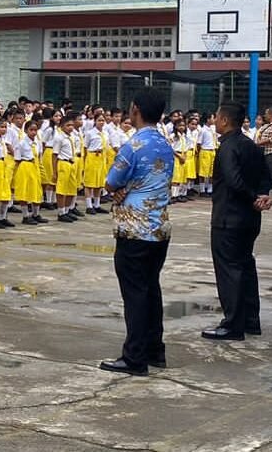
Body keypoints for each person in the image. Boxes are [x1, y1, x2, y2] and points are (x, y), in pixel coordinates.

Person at [100, 86, 174, 376]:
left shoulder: (133, 145)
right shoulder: (165, 144)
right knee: (151, 288)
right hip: (159, 227)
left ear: (136, 110)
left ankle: (134, 357)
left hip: (135, 228)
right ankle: (155, 349)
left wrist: (120, 190)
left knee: (135, 294)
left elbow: (111, 181)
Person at [203, 102, 272, 341]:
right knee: (245, 267)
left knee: (229, 271)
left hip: (228, 219)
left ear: (224, 120)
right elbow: (265, 176)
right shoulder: (250, 145)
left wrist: (253, 198)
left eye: (217, 117)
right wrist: (261, 196)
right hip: (249, 219)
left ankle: (232, 324)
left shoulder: (228, 148)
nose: (214, 121)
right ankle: (250, 320)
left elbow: (233, 181)